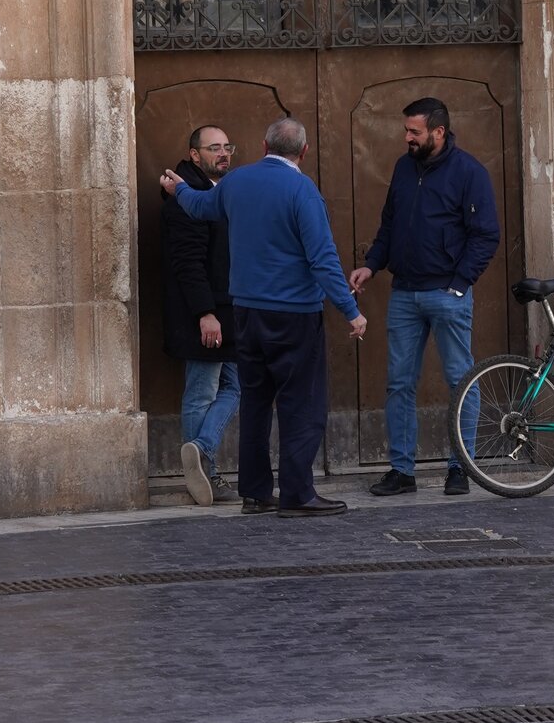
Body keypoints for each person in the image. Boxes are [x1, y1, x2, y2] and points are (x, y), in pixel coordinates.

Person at [162, 117, 366, 517]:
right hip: (294, 315)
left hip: (246, 313)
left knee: (255, 401)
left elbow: (200, 207)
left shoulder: (236, 182)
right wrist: (351, 310)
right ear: (303, 151)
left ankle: (255, 493)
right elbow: (323, 259)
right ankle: (297, 494)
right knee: (301, 404)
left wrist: (179, 188)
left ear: (263, 145)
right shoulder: (302, 191)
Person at [350, 97, 500, 498]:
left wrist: (460, 283)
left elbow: (486, 235)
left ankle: (460, 467)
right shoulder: (404, 168)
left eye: (414, 131)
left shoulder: (469, 172)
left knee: (460, 381)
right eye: (406, 131)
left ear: (438, 131)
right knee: (399, 384)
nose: (407, 138)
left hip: (447, 293)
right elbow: (389, 224)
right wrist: (372, 264)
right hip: (404, 293)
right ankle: (402, 471)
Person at [161, 123, 239, 508]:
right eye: (213, 148)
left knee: (234, 386)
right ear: (195, 154)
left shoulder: (210, 189)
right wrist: (206, 313)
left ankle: (202, 449)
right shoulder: (187, 195)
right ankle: (204, 475)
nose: (223, 154)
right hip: (205, 315)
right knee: (202, 391)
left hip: (226, 311)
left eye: (227, 147)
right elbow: (188, 262)